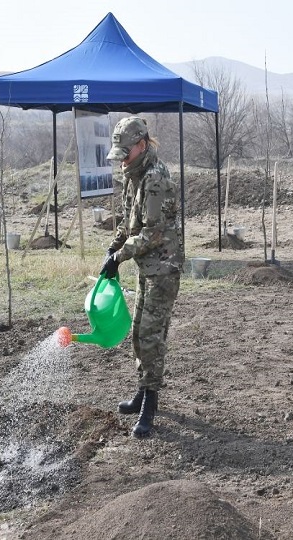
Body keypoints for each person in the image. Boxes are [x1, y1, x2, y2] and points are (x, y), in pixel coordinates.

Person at [101, 116, 182, 437]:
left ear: (142, 145)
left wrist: (120, 257)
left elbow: (153, 233)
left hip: (163, 268)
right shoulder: (134, 177)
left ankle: (150, 402)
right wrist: (112, 249)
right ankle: (141, 389)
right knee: (137, 330)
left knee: (151, 336)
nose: (122, 160)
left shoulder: (156, 180)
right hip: (145, 266)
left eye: (126, 153)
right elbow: (127, 222)